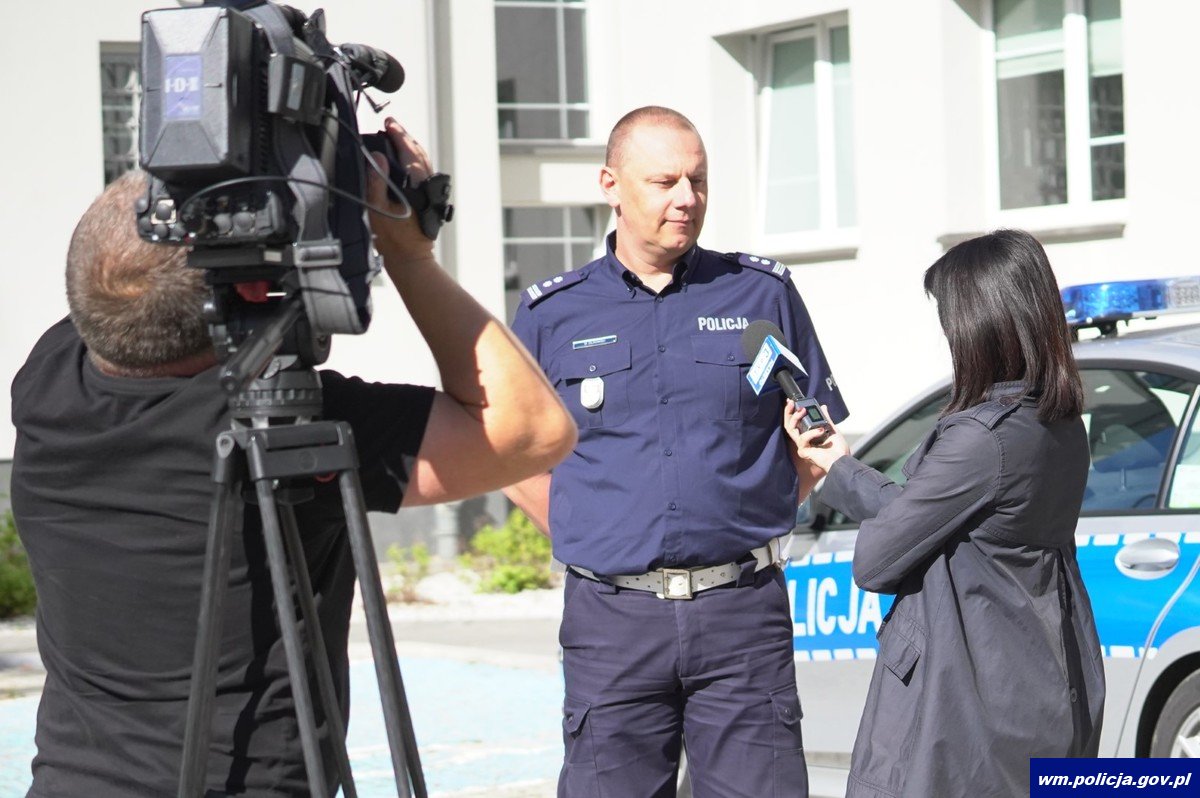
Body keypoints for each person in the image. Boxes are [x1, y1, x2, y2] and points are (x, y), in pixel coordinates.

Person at [9, 118, 576, 797]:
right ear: (248, 291)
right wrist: (408, 252)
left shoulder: (46, 382)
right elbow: (532, 431)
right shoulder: (280, 423)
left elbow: (122, 280)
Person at [504, 106, 848, 797]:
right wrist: (592, 534)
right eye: (664, 182)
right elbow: (513, 460)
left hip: (742, 616)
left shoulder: (761, 295)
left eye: (698, 180)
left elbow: (814, 441)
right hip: (612, 625)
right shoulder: (552, 314)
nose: (687, 198)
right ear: (610, 184)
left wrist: (749, 517)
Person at [785, 229, 1105, 798]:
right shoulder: (1057, 425)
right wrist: (838, 465)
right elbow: (937, 516)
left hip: (964, 714)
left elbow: (876, 562)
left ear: (982, 325)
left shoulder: (983, 438)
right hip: (1037, 688)